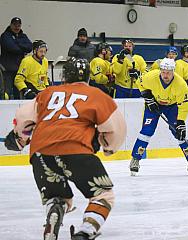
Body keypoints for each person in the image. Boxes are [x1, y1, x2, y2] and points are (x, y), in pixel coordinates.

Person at [4, 57, 127, 240]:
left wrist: (19, 138)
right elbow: (116, 129)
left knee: (58, 196)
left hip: (41, 153)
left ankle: (55, 208)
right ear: (87, 76)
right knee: (103, 196)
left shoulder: (47, 93)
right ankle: (86, 231)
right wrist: (107, 146)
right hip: (76, 150)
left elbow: (24, 117)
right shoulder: (97, 95)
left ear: (64, 76)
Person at [129, 58, 188, 176]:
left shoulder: (181, 84)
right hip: (154, 104)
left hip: (172, 107)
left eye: (168, 72)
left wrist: (181, 121)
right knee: (147, 131)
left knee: (178, 132)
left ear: (173, 71)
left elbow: (184, 105)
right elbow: (139, 83)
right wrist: (147, 96)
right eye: (163, 72)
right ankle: (135, 159)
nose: (165, 75)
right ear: (160, 70)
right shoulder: (151, 76)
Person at [0, 17, 32, 99]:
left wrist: (16, 42)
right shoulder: (5, 36)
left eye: (19, 25)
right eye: (15, 25)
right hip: (7, 69)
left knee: (19, 92)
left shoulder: (23, 36)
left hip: (19, 70)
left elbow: (29, 47)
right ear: (11, 25)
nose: (17, 27)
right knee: (7, 92)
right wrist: (22, 47)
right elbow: (12, 48)